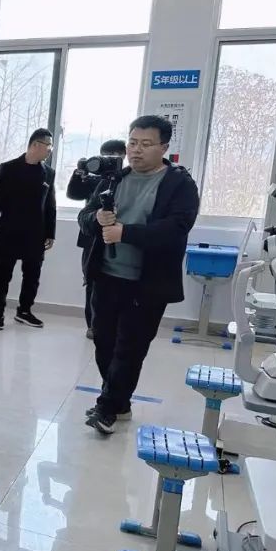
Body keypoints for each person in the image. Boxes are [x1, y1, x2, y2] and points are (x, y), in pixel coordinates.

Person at [78, 115, 199, 435]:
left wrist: (125, 232)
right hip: (106, 276)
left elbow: (177, 227)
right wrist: (97, 218)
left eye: (146, 144)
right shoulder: (115, 179)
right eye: (132, 143)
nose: (136, 150)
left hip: (147, 283)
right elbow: (84, 216)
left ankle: (106, 408)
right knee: (103, 342)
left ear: (164, 147)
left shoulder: (179, 184)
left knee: (129, 348)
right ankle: (119, 403)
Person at [0, 128, 57, 331]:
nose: (50, 150)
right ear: (35, 145)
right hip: (8, 232)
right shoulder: (8, 168)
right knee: (2, 276)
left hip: (36, 234)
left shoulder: (48, 173)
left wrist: (51, 233)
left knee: (32, 276)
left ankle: (24, 311)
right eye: (48, 146)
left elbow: (50, 205)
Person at [66, 139, 126, 340]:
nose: (109, 160)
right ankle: (92, 324)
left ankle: (114, 325)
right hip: (91, 236)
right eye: (105, 155)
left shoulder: (124, 179)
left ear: (123, 156)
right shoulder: (95, 177)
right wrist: (79, 173)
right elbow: (73, 194)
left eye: (114, 156)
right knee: (91, 280)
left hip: (118, 235)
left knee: (114, 283)